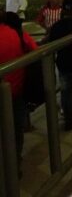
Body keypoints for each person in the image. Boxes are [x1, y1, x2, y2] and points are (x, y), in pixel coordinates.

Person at [48, 0, 72, 131]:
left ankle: (68, 117)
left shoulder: (56, 26)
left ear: (63, 9)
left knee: (65, 90)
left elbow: (51, 45)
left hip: (63, 63)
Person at [0, 11, 29, 164]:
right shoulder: (14, 33)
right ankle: (15, 161)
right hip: (16, 89)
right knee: (15, 128)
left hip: (7, 90)